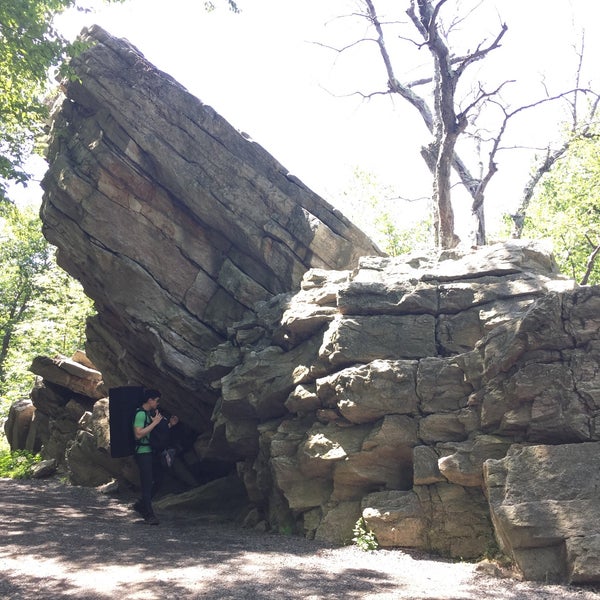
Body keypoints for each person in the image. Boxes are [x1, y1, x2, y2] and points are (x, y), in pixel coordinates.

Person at [132, 388, 178, 525]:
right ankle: (148, 514)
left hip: (151, 452)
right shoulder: (140, 414)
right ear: (150, 400)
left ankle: (141, 505)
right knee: (147, 483)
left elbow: (154, 434)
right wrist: (155, 423)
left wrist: (169, 425)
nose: (158, 403)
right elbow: (138, 434)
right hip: (142, 453)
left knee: (159, 480)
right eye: (156, 400)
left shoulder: (149, 413)